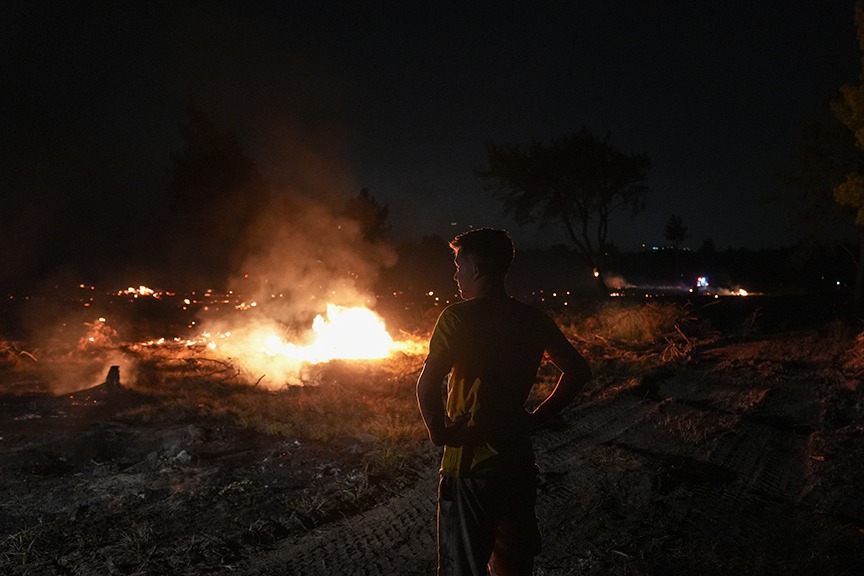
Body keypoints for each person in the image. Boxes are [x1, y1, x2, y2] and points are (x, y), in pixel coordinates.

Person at [416, 228, 592, 576]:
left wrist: (439, 431)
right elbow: (577, 371)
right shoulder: (532, 319)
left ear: (476, 270)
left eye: (458, 265)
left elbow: (428, 382)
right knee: (514, 567)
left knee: (462, 568)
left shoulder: (458, 317)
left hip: (469, 465)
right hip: (517, 464)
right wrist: (539, 416)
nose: (455, 275)